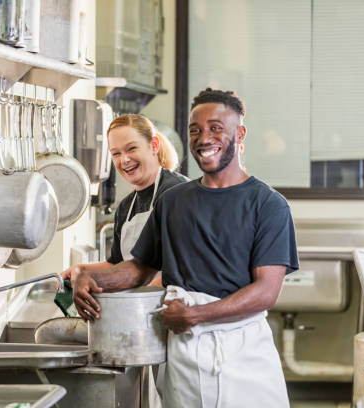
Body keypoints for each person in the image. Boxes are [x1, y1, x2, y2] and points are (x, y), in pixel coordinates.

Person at [73, 88, 299, 408]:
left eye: (216, 128)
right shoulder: (174, 201)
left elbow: (266, 292)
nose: (204, 137)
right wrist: (90, 279)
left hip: (242, 353)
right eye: (195, 130)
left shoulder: (268, 205)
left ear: (240, 132)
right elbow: (139, 268)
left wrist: (194, 315)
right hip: (185, 355)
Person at [61, 114, 188, 286]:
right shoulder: (126, 207)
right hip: (137, 304)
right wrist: (81, 270)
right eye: (116, 153)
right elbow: (117, 264)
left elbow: (186, 266)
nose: (124, 160)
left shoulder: (178, 192)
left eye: (131, 149)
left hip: (174, 304)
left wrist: (141, 299)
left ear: (154, 145)